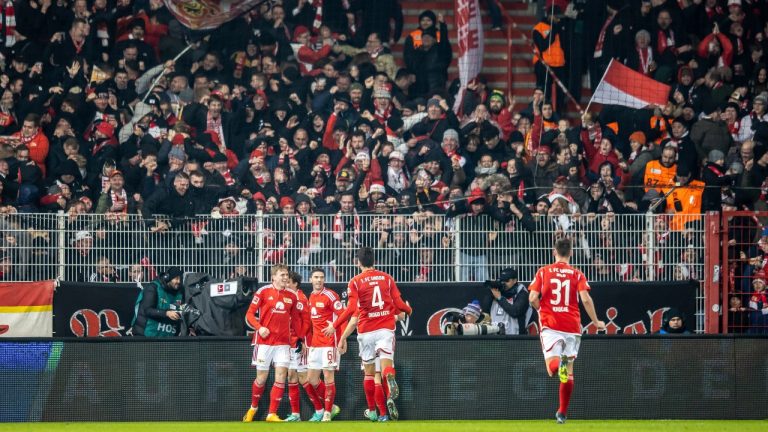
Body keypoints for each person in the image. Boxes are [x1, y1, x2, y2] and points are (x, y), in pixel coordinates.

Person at [326, 247, 412, 421]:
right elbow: (399, 304)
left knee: (369, 374)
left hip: (366, 330)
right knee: (387, 366)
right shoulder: (387, 278)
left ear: (357, 263)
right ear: (375, 261)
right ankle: (390, 378)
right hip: (385, 328)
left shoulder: (355, 281)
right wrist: (409, 310)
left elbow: (351, 310)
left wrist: (335, 326)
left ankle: (374, 411)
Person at [528, 237, 606, 424]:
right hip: (572, 326)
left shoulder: (543, 272)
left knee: (551, 369)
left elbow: (532, 298)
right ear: (570, 253)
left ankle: (559, 366)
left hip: (551, 324)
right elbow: (586, 299)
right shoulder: (577, 274)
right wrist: (596, 321)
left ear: (554, 252)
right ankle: (562, 413)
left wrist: (541, 309)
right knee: (569, 372)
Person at [243, 264, 306, 423]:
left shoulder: (292, 296)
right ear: (274, 277)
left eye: (286, 275)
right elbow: (249, 314)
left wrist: (301, 338)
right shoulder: (263, 291)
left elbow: (296, 321)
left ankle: (272, 414)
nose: (285, 277)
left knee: (281, 377)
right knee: (261, 379)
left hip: (283, 344)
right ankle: (253, 407)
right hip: (264, 342)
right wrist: (259, 328)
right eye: (282, 275)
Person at [284, 271, 325, 422]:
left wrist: (301, 340)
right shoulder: (289, 297)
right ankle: (296, 414)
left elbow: (306, 323)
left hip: (302, 343)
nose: (285, 284)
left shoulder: (300, 299)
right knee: (291, 377)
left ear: (295, 284)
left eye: (288, 282)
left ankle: (322, 409)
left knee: (304, 378)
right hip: (290, 343)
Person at [306, 267, 343, 422]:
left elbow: (344, 315)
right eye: (316, 277)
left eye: (321, 277)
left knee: (328, 377)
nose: (319, 280)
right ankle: (331, 406)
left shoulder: (330, 295)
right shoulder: (311, 297)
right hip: (315, 344)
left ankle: (327, 413)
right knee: (312, 379)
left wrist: (341, 337)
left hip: (329, 342)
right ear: (310, 280)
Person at [131, 267, 184, 337]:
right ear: (167, 278)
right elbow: (148, 310)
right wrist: (167, 313)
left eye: (180, 279)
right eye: (176, 278)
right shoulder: (153, 288)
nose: (179, 281)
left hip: (165, 336)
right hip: (145, 335)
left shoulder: (180, 292)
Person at [481, 268, 537, 335]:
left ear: (515, 280)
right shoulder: (497, 292)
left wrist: (500, 298)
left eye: (507, 281)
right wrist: (490, 293)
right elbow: (485, 311)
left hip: (516, 338)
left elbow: (515, 312)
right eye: (502, 281)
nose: (503, 283)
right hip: (496, 337)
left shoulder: (522, 293)